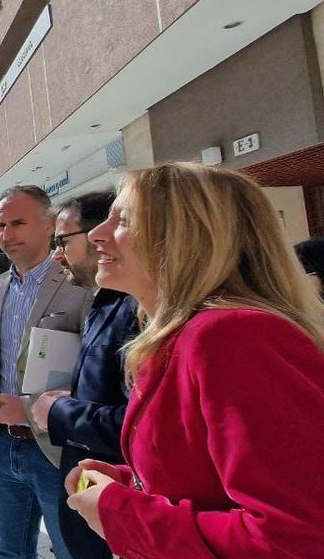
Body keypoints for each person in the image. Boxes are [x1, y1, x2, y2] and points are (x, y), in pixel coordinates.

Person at [65, 163, 324, 557]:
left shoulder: (233, 336)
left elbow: (295, 536)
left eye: (124, 220)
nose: (99, 234)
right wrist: (128, 483)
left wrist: (121, 511)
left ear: (185, 237)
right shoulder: (184, 337)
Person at [0, 185, 92, 559]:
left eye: (18, 223)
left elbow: (94, 368)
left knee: (73, 549)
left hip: (58, 450)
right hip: (1, 446)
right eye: (1, 225)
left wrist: (30, 408)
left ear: (49, 226)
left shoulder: (79, 286)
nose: (6, 234)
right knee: (7, 548)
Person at [28, 191, 139, 559]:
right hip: (90, 490)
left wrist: (61, 412)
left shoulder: (139, 311)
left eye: (62, 241)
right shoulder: (104, 301)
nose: (57, 254)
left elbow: (144, 423)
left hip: (124, 502)